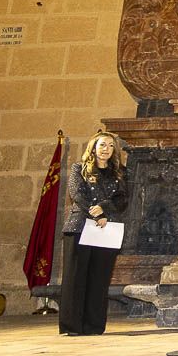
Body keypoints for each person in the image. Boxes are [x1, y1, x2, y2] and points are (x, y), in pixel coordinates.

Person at [59, 131, 129, 336]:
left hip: (106, 228)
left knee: (100, 278)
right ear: (93, 147)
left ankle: (94, 325)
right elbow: (77, 194)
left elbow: (123, 199)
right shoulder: (78, 169)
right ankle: (72, 326)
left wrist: (104, 209)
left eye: (110, 145)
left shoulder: (120, 172)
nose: (106, 148)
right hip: (80, 226)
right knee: (76, 276)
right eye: (102, 145)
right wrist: (95, 211)